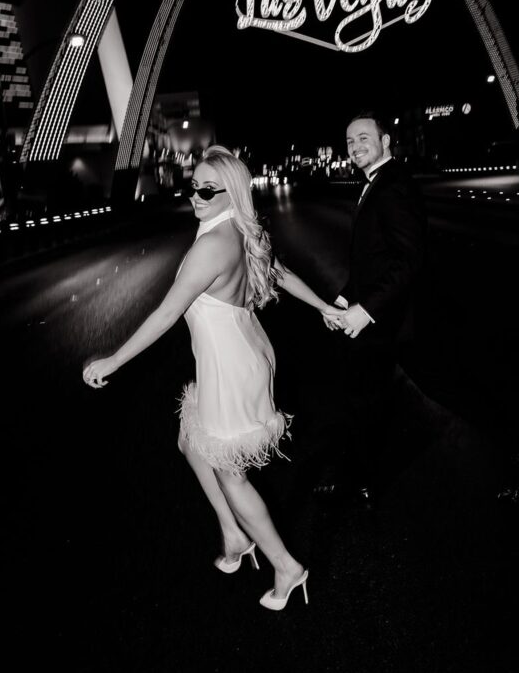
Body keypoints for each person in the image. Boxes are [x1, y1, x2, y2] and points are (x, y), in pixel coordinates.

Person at [83, 145, 343, 611]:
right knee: (190, 438)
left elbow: (166, 312)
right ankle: (232, 532)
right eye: (193, 186)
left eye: (208, 189)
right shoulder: (241, 231)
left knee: (231, 472)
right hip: (243, 351)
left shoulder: (212, 244)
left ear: (232, 193)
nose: (196, 195)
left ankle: (285, 565)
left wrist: (113, 361)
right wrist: (324, 305)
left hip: (231, 366)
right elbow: (280, 273)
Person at [316, 111, 427, 503]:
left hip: (390, 317)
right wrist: (346, 297)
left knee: (436, 387)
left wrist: (365, 310)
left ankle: (362, 477)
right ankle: (362, 475)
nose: (355, 147)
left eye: (364, 138)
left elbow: (409, 259)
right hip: (381, 313)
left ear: (385, 142)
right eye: (349, 142)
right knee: (362, 394)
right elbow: (373, 259)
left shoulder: (392, 185)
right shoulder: (373, 183)